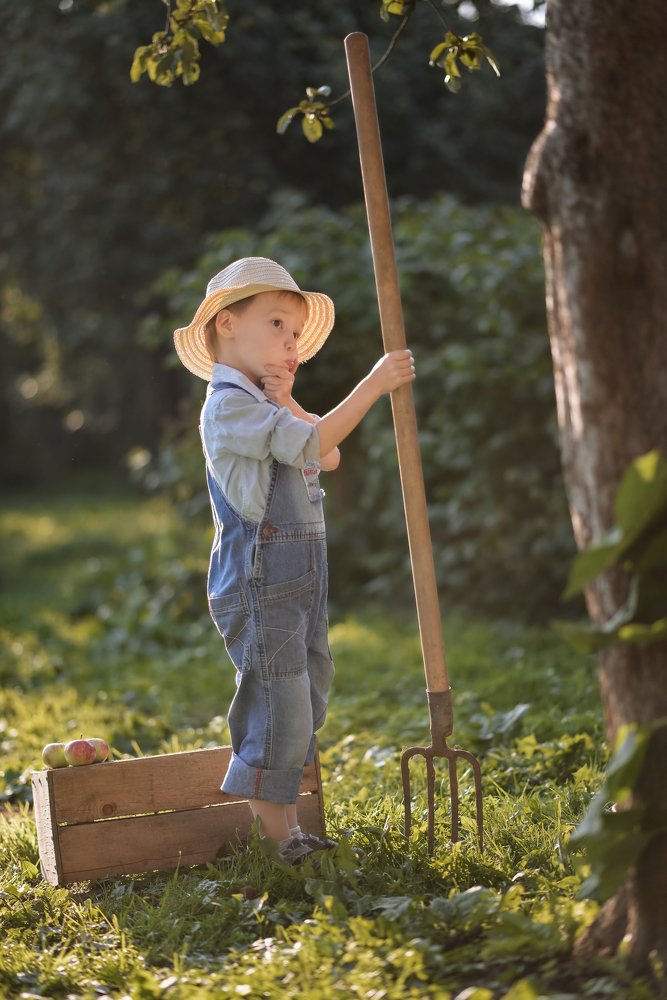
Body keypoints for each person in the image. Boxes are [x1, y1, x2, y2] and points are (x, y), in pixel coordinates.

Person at [174, 256, 415, 864]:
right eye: (278, 324)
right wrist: (374, 385)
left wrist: (291, 399)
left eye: (297, 333)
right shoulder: (229, 406)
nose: (292, 342)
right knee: (278, 701)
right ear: (228, 324)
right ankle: (279, 840)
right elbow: (316, 443)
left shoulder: (264, 401)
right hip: (260, 580)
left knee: (307, 693)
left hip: (298, 577)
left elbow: (325, 459)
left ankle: (290, 831)